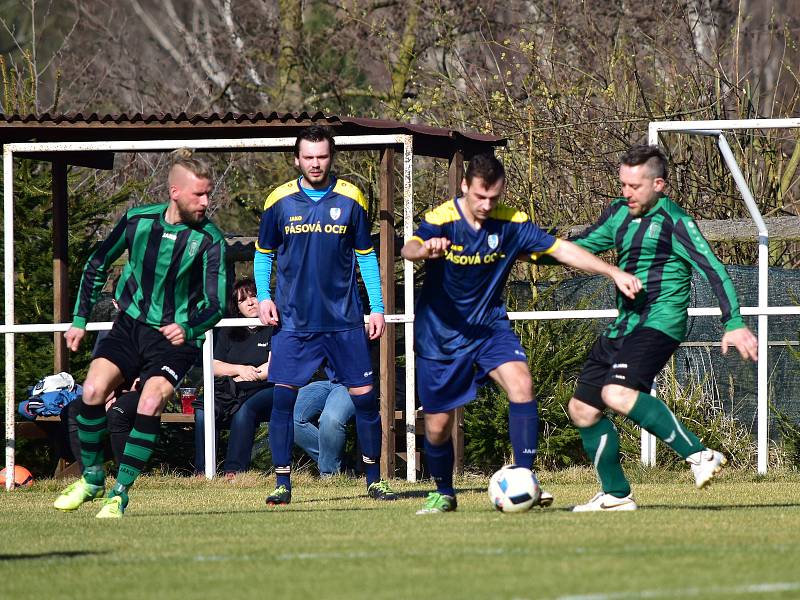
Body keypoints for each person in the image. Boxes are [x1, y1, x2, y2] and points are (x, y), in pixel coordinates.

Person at [400, 152, 642, 514]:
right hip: (441, 336)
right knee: (437, 427)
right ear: (465, 186)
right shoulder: (442, 218)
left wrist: (612, 272)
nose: (486, 204)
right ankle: (444, 491)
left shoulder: (512, 223)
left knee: (522, 384)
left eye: (494, 197)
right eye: (479, 196)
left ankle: (526, 477)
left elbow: (562, 250)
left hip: (489, 328)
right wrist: (424, 250)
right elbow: (409, 247)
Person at [562, 144, 758, 512]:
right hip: (624, 325)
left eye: (634, 186)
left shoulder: (676, 222)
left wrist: (733, 322)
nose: (626, 193)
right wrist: (525, 246)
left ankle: (700, 455)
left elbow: (714, 270)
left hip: (660, 321)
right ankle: (616, 496)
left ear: (659, 184)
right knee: (582, 410)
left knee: (616, 394)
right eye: (622, 184)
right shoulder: (619, 214)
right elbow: (580, 247)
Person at [53, 148, 228, 518]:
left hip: (174, 339)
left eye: (208, 193)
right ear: (175, 192)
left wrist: (190, 327)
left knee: (149, 403)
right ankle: (92, 478)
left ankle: (119, 493)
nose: (206, 202)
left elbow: (217, 303)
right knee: (91, 391)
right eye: (199, 194)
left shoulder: (211, 240)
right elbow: (97, 264)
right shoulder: (137, 221)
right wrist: (80, 320)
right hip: (130, 327)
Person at [255, 125, 395, 504]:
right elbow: (263, 254)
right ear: (297, 159)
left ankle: (374, 481)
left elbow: (366, 256)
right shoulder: (279, 201)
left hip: (344, 321)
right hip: (293, 324)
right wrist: (264, 296)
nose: (316, 163)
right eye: (309, 157)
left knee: (365, 400)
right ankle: (282, 485)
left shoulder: (351, 197)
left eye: (322, 156)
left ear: (331, 157)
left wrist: (377, 308)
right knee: (283, 403)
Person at [194, 278, 274, 476]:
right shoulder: (228, 329)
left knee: (244, 410)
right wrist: (239, 369)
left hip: (265, 389)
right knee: (204, 410)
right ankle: (203, 471)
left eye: (254, 296)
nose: (250, 302)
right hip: (231, 388)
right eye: (243, 300)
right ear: (237, 307)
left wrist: (249, 375)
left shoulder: (274, 326)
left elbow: (274, 367)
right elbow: (213, 365)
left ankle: (234, 470)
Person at [293, 379, 355, 476]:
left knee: (331, 420)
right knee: (289, 419)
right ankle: (342, 462)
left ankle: (329, 475)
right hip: (321, 381)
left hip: (352, 382)